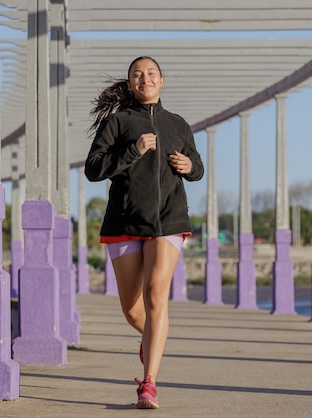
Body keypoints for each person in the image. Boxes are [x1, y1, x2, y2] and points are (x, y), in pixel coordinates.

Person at [84, 56, 204, 409]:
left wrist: (190, 166)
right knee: (134, 310)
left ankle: (148, 384)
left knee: (155, 297)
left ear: (161, 81)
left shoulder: (178, 125)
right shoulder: (117, 123)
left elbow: (196, 167)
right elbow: (94, 169)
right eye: (137, 74)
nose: (144, 79)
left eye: (151, 73)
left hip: (169, 219)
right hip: (124, 221)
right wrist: (133, 150)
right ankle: (153, 337)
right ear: (130, 83)